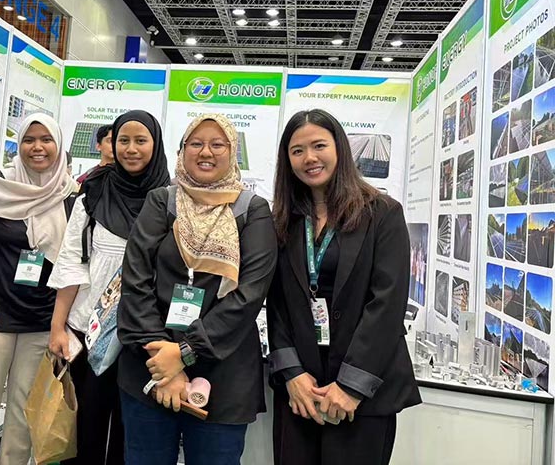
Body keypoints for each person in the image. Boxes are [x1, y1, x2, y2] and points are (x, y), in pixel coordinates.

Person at [117, 114, 277, 465]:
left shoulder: (252, 211)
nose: (206, 152)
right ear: (182, 150)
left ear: (232, 152)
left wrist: (184, 352)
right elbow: (136, 279)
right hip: (151, 367)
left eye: (218, 144)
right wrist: (164, 361)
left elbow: (249, 296)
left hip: (223, 374)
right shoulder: (162, 202)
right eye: (196, 143)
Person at [267, 109, 421, 465]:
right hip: (301, 392)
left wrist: (351, 385)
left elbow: (387, 304)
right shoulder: (284, 220)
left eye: (319, 145)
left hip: (361, 392)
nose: (309, 158)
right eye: (297, 150)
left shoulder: (381, 213)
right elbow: (277, 302)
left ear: (339, 147)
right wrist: (291, 373)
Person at [49, 110, 171, 465]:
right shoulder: (93, 192)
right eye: (123, 140)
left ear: (156, 145)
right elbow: (71, 261)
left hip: (144, 335)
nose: (131, 149)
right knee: (85, 426)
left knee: (131, 432)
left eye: (141, 141)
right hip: (90, 330)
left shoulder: (171, 200)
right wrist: (57, 326)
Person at [0, 113, 79, 465]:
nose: (37, 147)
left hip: (42, 320)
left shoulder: (70, 195)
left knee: (26, 409)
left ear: (59, 146)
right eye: (29, 139)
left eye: (46, 139)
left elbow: (73, 262)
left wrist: (60, 323)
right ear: (19, 145)